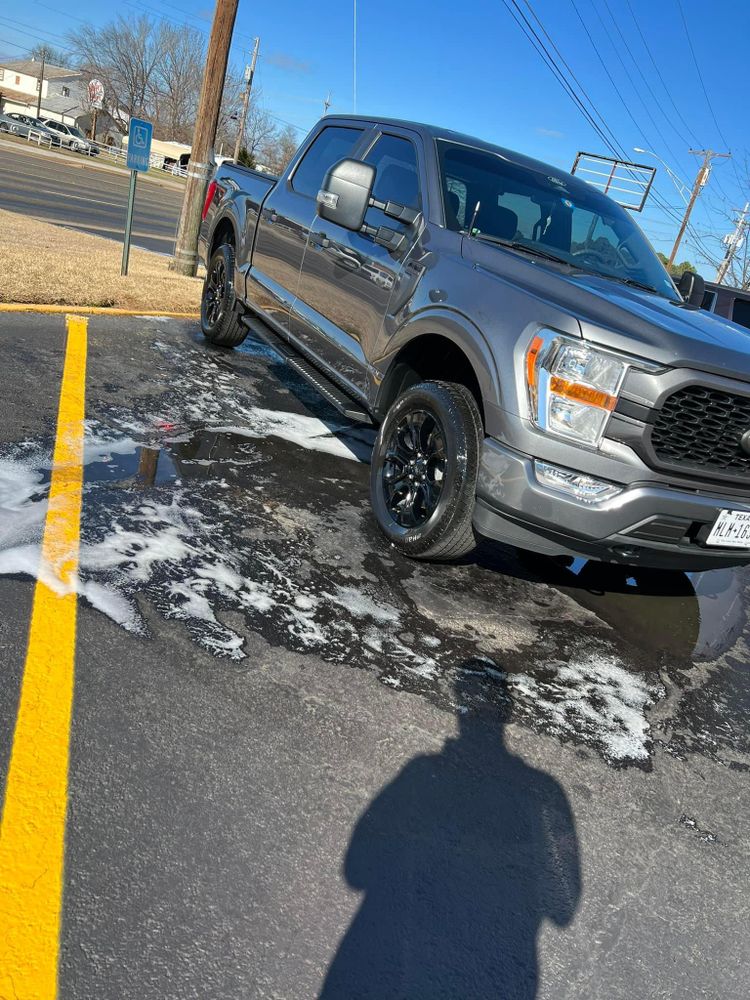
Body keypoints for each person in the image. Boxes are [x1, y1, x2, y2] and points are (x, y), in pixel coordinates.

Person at [320, 669, 581, 999]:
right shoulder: (542, 792)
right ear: (507, 712)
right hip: (495, 973)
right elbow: (562, 907)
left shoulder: (423, 775)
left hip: (422, 963)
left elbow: (357, 869)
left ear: (460, 710)